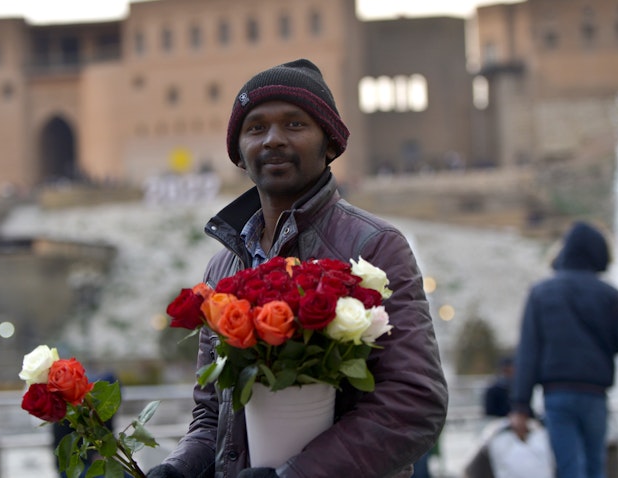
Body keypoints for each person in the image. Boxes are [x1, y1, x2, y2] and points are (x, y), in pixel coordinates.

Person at [147, 58, 448, 478]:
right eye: (256, 128)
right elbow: (214, 414)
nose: (272, 140)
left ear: (329, 143)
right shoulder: (222, 268)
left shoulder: (373, 247)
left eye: (294, 125)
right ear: (238, 153)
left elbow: (414, 403)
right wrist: (177, 470)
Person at [509, 221, 618, 478]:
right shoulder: (611, 296)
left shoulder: (541, 293)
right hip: (596, 395)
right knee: (595, 467)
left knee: (569, 468)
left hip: (556, 395)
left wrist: (521, 405)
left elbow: (528, 352)